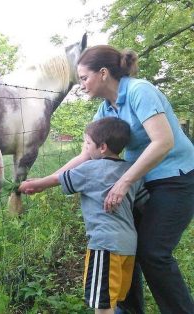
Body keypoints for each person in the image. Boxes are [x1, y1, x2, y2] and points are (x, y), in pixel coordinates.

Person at [21, 45, 194, 313]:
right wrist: (44, 182)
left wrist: (124, 182)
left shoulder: (139, 91)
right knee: (126, 248)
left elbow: (164, 142)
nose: (81, 85)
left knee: (153, 254)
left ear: (103, 73)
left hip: (176, 177)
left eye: (83, 78)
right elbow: (86, 156)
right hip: (142, 180)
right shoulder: (106, 110)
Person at [19, 117, 149, 314]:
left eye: (87, 143)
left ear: (102, 147)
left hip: (104, 246)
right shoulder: (131, 172)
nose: (85, 148)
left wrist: (32, 184)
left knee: (102, 305)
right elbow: (144, 203)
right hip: (129, 246)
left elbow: (52, 181)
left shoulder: (88, 169)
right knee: (115, 300)